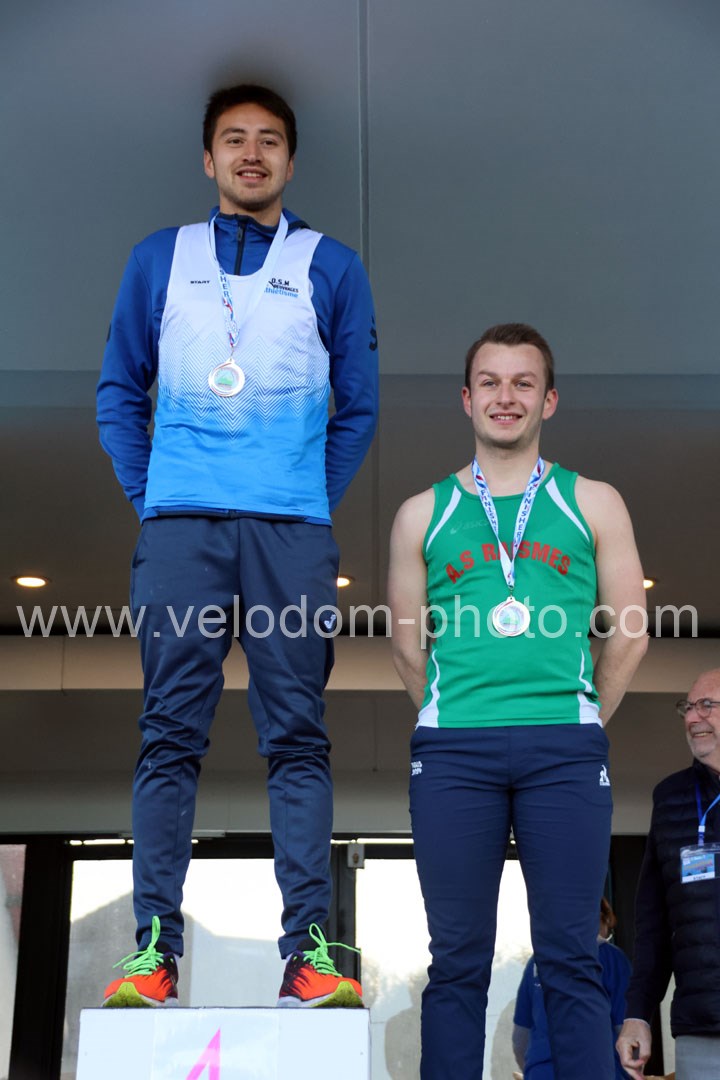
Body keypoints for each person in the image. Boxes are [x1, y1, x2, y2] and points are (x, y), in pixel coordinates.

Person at [96, 83, 378, 1008]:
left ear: (291, 161)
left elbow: (358, 407)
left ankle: (309, 956)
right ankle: (153, 951)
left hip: (290, 536)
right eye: (233, 139)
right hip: (181, 531)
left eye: (268, 141)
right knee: (168, 733)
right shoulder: (158, 258)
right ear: (208, 158)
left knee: (297, 736)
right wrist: (155, 500)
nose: (251, 154)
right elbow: (118, 392)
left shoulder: (333, 265)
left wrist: (300, 495)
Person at [387, 322, 647, 1078]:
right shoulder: (421, 512)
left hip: (564, 751)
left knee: (571, 956)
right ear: (467, 399)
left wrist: (582, 719)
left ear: (549, 400)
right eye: (491, 382)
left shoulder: (593, 501)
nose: (507, 397)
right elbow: (406, 646)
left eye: (523, 383)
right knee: (456, 959)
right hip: (454, 754)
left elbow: (631, 632)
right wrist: (453, 716)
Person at [616, 668, 720, 1079]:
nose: (693, 717)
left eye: (706, 705)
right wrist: (637, 1013)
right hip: (702, 1027)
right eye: (687, 707)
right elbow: (653, 922)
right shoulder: (671, 797)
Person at [513, 898, 632, 1079]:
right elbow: (626, 1029)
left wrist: (534, 1069)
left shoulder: (537, 963)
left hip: (542, 1071)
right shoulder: (612, 959)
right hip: (599, 1069)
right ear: (601, 919)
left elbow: (520, 1037)